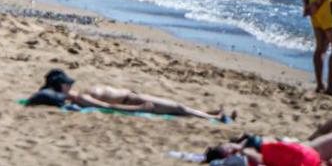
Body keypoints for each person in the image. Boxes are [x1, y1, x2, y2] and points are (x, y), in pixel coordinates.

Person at [30, 68, 229, 120]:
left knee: (176, 105)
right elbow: (108, 107)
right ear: (61, 87)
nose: (68, 85)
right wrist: (138, 108)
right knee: (178, 107)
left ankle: (205, 112)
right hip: (131, 100)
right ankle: (214, 117)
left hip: (132, 95)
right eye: (65, 84)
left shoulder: (75, 95)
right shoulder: (80, 98)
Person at [204, 122, 332, 166]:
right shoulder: (247, 155)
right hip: (302, 154)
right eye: (227, 149)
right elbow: (260, 158)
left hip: (300, 152)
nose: (230, 147)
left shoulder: (247, 151)